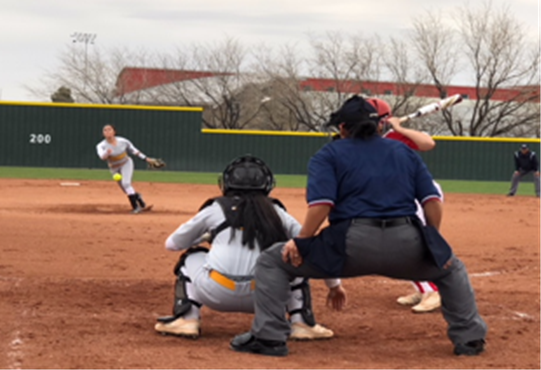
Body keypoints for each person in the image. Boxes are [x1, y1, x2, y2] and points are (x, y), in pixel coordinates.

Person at [230, 95, 487, 357]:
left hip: (349, 245)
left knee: (273, 260)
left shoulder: (328, 154)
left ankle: (269, 338)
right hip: (407, 242)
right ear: (378, 126)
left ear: (342, 128)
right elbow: (432, 200)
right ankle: (470, 339)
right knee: (451, 268)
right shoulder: (403, 152)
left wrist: (302, 239)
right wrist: (432, 239)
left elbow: (322, 205)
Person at [154, 155, 340, 340]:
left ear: (226, 183)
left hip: (216, 293)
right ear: (267, 184)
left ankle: (186, 319)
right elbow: (313, 248)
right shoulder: (276, 212)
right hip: (265, 296)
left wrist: (206, 237)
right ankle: (302, 322)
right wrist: (335, 286)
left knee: (190, 258)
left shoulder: (215, 208)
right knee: (294, 258)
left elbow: (172, 244)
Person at [367, 98, 441, 313]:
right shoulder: (365, 144)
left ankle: (432, 290)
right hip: (399, 197)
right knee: (406, 244)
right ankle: (423, 287)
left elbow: (428, 144)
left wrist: (400, 127)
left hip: (419, 195)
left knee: (410, 244)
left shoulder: (394, 136)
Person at [95, 124, 159, 213]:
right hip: (114, 168)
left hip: (126, 163)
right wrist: (106, 153)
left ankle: (136, 207)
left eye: (109, 129)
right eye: (105, 130)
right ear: (103, 133)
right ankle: (137, 196)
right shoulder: (101, 145)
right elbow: (102, 157)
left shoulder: (123, 141)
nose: (107, 132)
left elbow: (134, 150)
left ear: (114, 132)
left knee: (126, 183)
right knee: (125, 189)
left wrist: (146, 158)